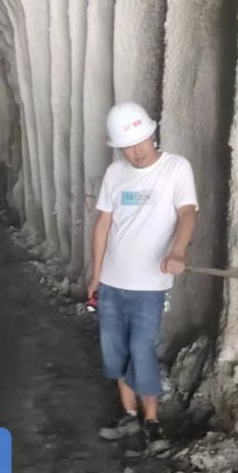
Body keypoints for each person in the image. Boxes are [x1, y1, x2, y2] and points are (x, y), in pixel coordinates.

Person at [88, 102, 198, 446]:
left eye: (140, 142)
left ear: (153, 134)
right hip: (111, 281)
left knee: (141, 349)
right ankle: (129, 414)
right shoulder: (115, 173)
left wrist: (178, 250)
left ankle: (152, 420)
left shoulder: (176, 168)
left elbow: (187, 212)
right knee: (115, 350)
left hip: (149, 284)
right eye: (127, 146)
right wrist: (95, 275)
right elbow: (103, 224)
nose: (136, 151)